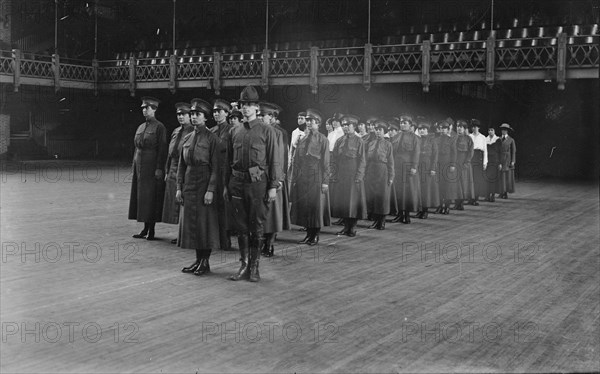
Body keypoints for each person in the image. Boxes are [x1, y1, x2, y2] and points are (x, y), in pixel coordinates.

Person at [224, 85, 281, 282]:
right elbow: (228, 162)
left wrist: (273, 186)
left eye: (249, 104)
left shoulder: (267, 131)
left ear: (256, 107)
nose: (246, 108)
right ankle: (244, 265)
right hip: (237, 184)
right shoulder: (235, 131)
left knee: (256, 227)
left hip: (258, 185)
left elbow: (274, 160)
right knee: (240, 227)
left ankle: (255, 267)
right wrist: (226, 185)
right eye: (243, 105)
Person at [178, 98, 221, 276]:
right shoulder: (188, 137)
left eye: (198, 114)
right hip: (190, 183)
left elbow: (217, 167)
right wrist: (179, 187)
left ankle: (205, 261)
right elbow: (181, 165)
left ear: (205, 117)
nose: (194, 117)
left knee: (205, 225)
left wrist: (210, 190)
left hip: (204, 183)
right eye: (193, 114)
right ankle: (198, 260)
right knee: (193, 225)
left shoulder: (212, 138)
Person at [129, 96, 168, 240]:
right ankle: (144, 228)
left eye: (148, 108)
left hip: (151, 168)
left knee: (151, 199)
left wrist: (159, 168)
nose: (145, 111)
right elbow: (136, 148)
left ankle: (151, 230)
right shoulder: (141, 127)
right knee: (142, 199)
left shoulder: (159, 127)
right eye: (143, 108)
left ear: (155, 109)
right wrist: (134, 165)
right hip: (140, 168)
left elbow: (162, 149)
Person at [290, 108, 330, 246]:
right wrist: (295, 178)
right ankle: (308, 234)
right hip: (303, 176)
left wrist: (325, 182)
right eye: (306, 120)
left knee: (315, 206)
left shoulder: (323, 139)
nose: (308, 123)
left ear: (317, 122)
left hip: (316, 175)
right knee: (305, 206)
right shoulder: (302, 138)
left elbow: (326, 162)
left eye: (310, 120)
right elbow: (296, 160)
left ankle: (315, 235)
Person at [259, 102, 291, 257]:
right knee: (262, 213)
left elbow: (281, 158)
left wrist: (278, 180)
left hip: (273, 178)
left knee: (272, 214)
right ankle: (261, 242)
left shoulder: (278, 133)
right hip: (259, 177)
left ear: (271, 117)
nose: (260, 118)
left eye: (262, 115)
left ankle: (269, 244)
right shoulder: (256, 131)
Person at [330, 114, 367, 237]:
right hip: (341, 175)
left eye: (348, 125)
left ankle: (352, 228)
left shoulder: (359, 141)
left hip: (353, 175)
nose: (345, 127)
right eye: (344, 125)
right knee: (343, 201)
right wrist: (334, 174)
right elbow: (334, 159)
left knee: (353, 202)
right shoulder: (339, 141)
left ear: (354, 126)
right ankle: (346, 227)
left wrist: (359, 176)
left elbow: (362, 160)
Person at [162, 102, 194, 244]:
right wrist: (167, 171)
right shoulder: (176, 131)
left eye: (184, 114)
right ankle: (181, 232)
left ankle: (187, 233)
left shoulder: (192, 132)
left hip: (185, 169)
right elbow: (170, 154)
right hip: (174, 169)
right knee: (175, 203)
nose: (181, 117)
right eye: (179, 114)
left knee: (184, 202)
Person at [211, 98, 235, 251]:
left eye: (219, 111)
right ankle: (215, 239)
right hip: (213, 173)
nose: (216, 114)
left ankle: (225, 240)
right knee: (214, 207)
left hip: (226, 173)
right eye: (214, 112)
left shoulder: (232, 131)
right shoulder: (211, 131)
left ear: (226, 113)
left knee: (225, 208)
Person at [365, 120, 395, 230]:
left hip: (382, 172)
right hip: (371, 172)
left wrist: (391, 177)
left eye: (380, 130)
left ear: (384, 131)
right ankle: (375, 221)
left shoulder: (388, 144)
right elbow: (366, 161)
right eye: (376, 130)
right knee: (372, 198)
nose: (378, 132)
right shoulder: (370, 143)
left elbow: (391, 162)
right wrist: (365, 173)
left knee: (382, 199)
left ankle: (381, 222)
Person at [391, 115, 420, 224]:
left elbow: (416, 153)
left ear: (410, 125)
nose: (402, 125)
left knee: (407, 192)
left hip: (408, 167)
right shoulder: (396, 136)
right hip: (397, 167)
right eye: (401, 123)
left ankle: (406, 215)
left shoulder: (414, 138)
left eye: (405, 123)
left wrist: (414, 167)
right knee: (398, 191)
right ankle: (399, 214)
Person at [415, 120, 439, 219]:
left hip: (428, 166)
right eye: (420, 129)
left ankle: (425, 210)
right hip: (418, 166)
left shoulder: (432, 140)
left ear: (427, 130)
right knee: (418, 188)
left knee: (426, 190)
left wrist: (433, 168)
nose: (422, 131)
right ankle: (419, 209)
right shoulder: (416, 140)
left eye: (424, 129)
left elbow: (435, 155)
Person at [437, 120, 459, 215]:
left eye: (444, 129)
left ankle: (446, 207)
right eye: (441, 128)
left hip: (447, 165)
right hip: (438, 165)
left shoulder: (451, 140)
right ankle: (439, 206)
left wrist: (452, 165)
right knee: (439, 186)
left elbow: (454, 153)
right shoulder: (436, 139)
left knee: (447, 187)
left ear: (448, 129)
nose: (442, 130)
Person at [455, 119, 474, 211]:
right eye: (458, 126)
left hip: (464, 164)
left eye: (461, 127)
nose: (459, 128)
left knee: (463, 183)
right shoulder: (453, 138)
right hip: (454, 164)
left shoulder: (468, 139)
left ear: (464, 128)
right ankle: (456, 202)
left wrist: (467, 163)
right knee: (455, 184)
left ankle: (461, 203)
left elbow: (470, 152)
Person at [468, 118, 488, 205]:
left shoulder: (483, 137)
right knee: (470, 179)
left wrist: (485, 162)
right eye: (473, 127)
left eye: (476, 127)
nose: (474, 128)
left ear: (479, 128)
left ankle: (476, 198)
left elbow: (485, 151)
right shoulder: (469, 136)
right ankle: (470, 198)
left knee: (477, 180)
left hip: (479, 158)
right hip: (471, 158)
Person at [498, 123, 516, 199]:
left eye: (505, 130)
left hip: (507, 160)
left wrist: (513, 161)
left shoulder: (511, 140)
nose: (503, 131)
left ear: (508, 131)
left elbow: (513, 151)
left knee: (506, 177)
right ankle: (501, 192)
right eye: (502, 129)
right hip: (500, 159)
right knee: (501, 177)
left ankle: (505, 193)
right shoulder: (498, 139)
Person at [485, 126, 502, 202]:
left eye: (492, 130)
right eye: (489, 130)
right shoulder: (485, 139)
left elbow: (500, 152)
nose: (490, 131)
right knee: (487, 178)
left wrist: (500, 163)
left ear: (494, 131)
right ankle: (487, 195)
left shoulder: (498, 140)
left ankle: (492, 195)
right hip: (488, 161)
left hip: (495, 161)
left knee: (493, 179)